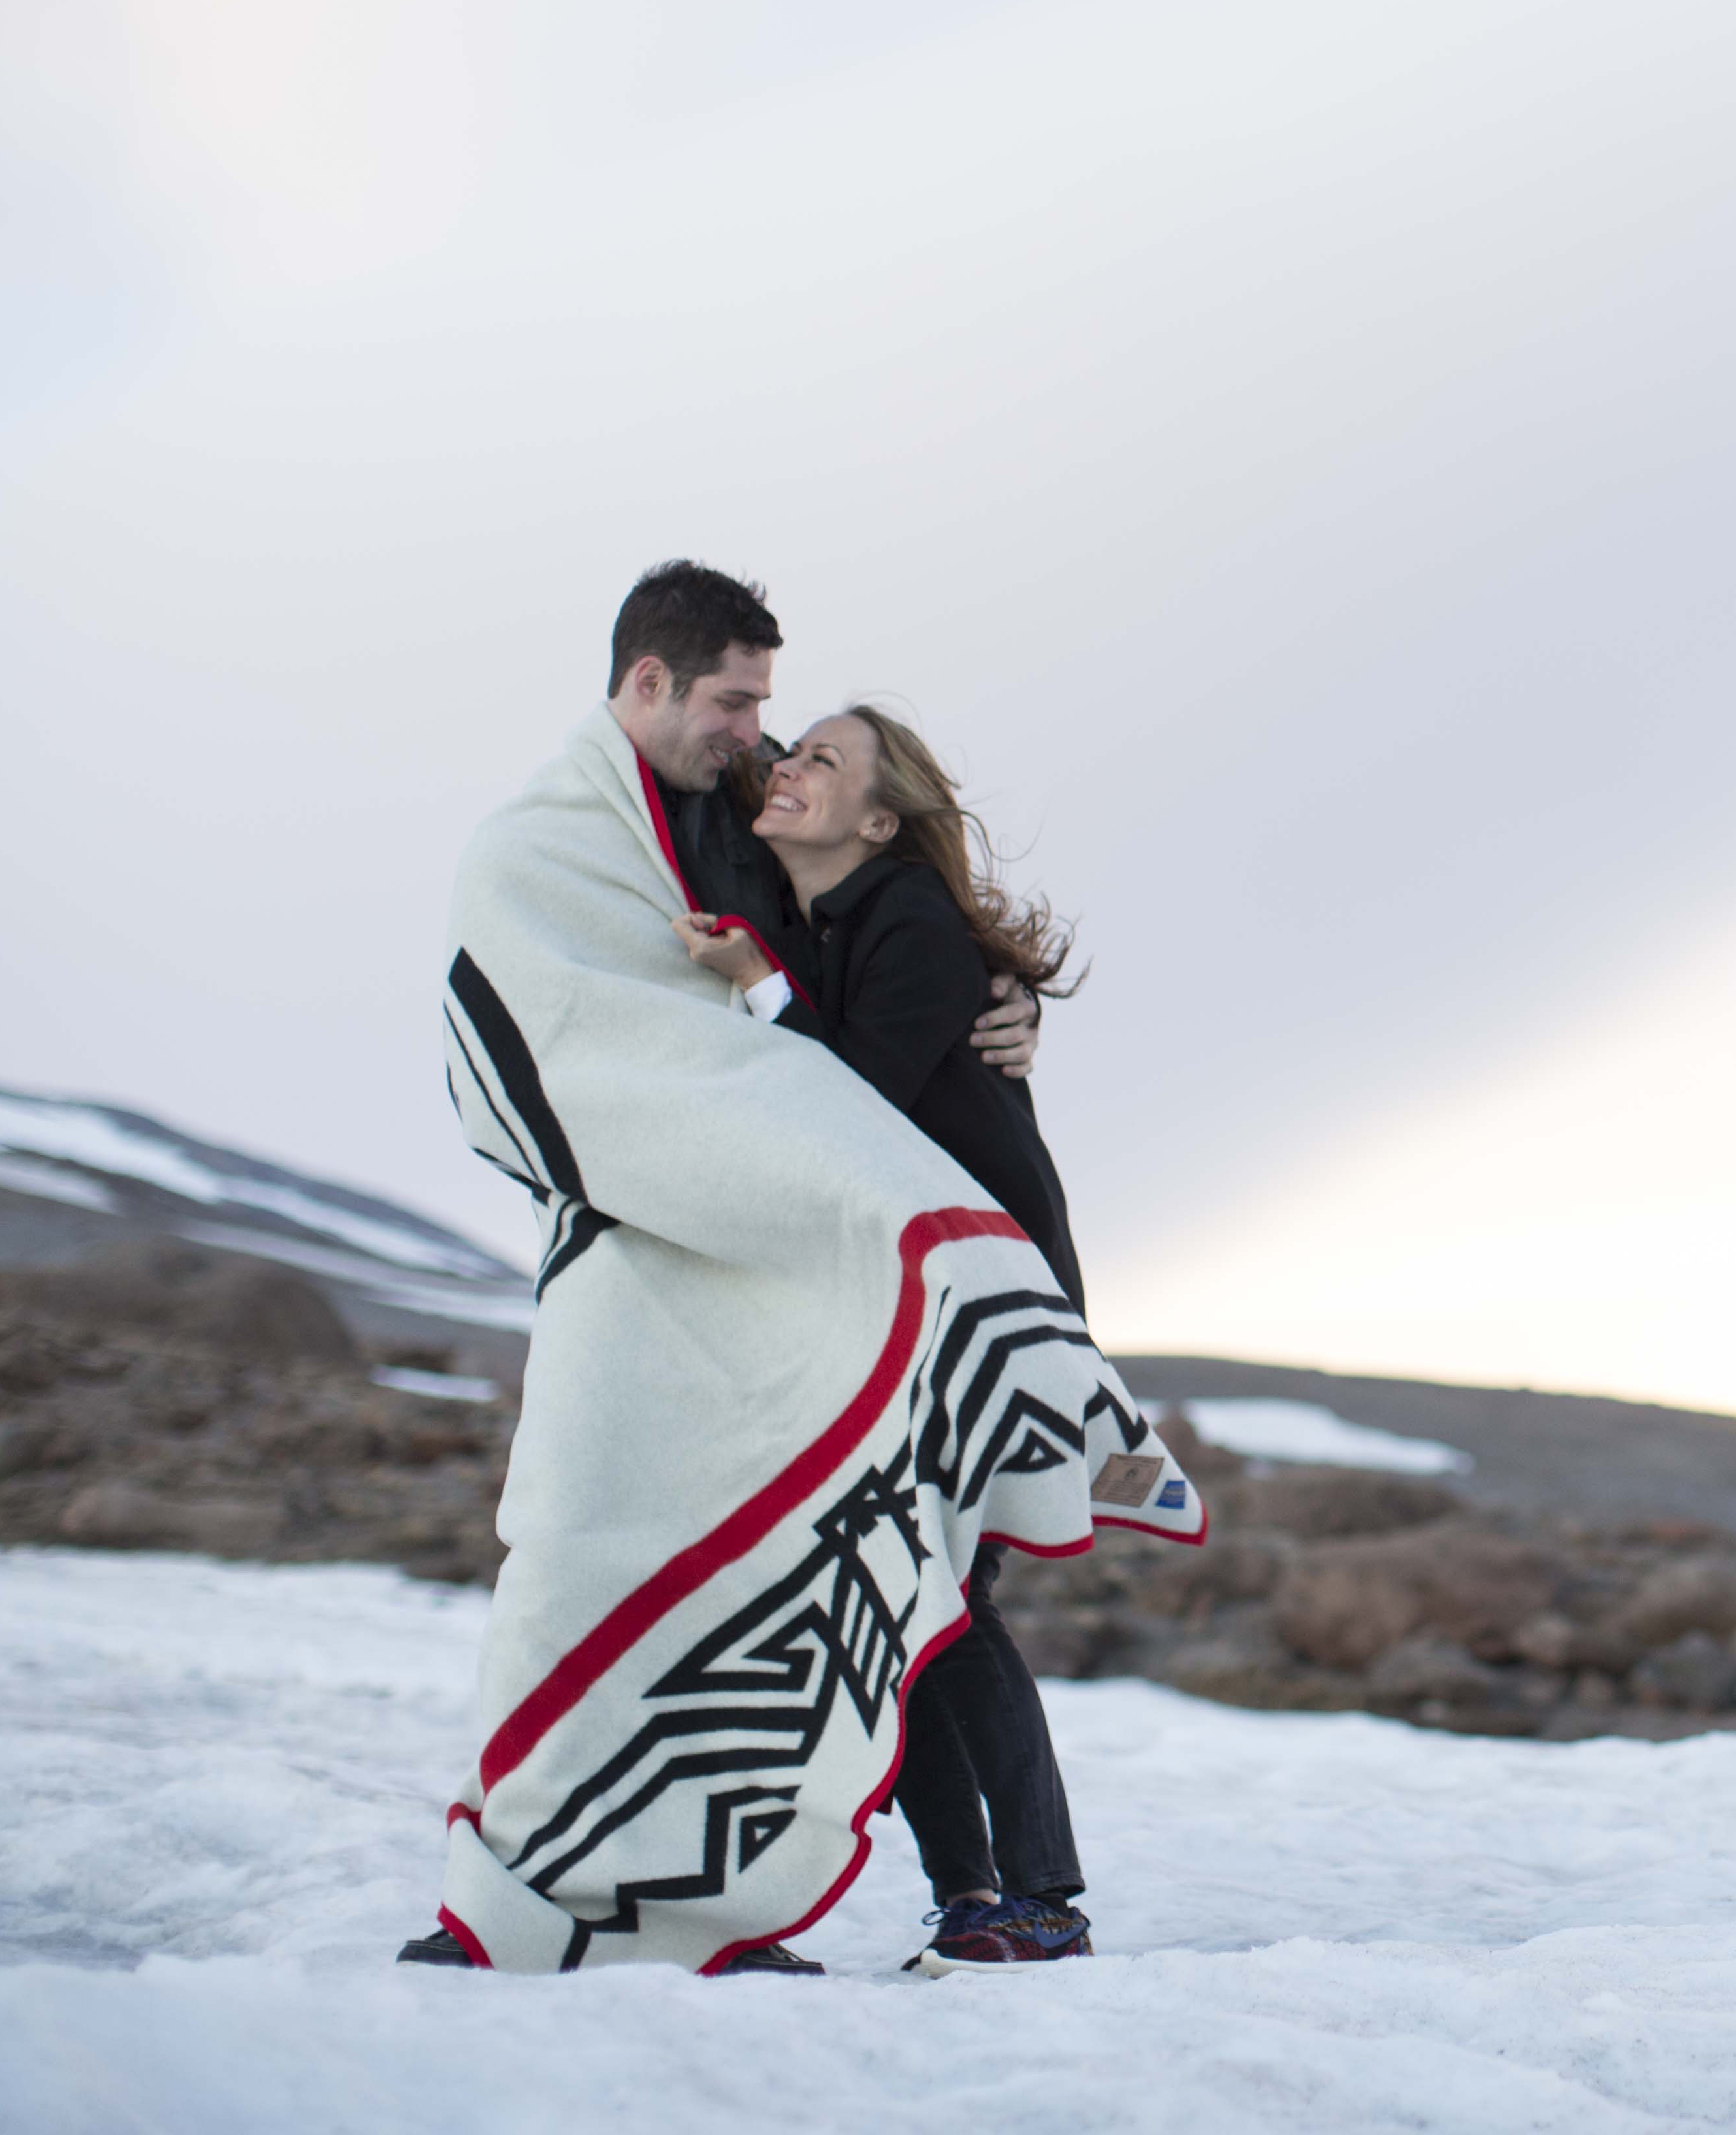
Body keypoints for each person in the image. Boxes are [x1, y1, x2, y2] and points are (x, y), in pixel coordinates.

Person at [402, 562, 1202, 1977]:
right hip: (683, 1266)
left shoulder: (770, 825)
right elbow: (543, 1038)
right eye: (736, 702)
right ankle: (634, 1878)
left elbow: (857, 1055)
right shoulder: (552, 843)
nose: (760, 736)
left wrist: (985, 992)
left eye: (777, 714)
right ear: (647, 685)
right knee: (705, 1567)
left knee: (929, 1592)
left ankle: (1022, 1899)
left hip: (897, 1273)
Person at [675, 703, 1101, 1974]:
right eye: (785, 748)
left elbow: (847, 1107)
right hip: (896, 1303)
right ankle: (973, 1898)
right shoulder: (819, 908)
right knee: (894, 1590)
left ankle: (1042, 1901)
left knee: (948, 1597)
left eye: (822, 760)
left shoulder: (900, 918)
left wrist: (752, 989)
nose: (787, 765)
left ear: (878, 819)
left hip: (983, 1309)